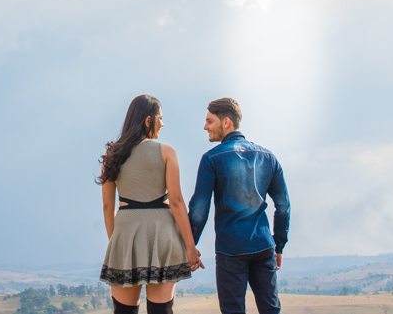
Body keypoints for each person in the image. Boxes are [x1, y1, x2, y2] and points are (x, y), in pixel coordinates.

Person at [98, 94, 204, 314]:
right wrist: (191, 247)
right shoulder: (166, 152)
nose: (162, 123)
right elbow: (176, 202)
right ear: (148, 121)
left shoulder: (111, 156)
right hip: (163, 236)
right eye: (160, 118)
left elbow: (108, 207)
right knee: (161, 310)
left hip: (127, 235)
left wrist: (116, 243)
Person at [187, 97, 290, 314]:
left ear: (226, 122)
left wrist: (189, 246)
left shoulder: (211, 159)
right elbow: (283, 205)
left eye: (209, 121)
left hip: (230, 250)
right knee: (271, 310)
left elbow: (199, 209)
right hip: (263, 246)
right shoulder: (268, 157)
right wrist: (278, 245)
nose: (205, 127)